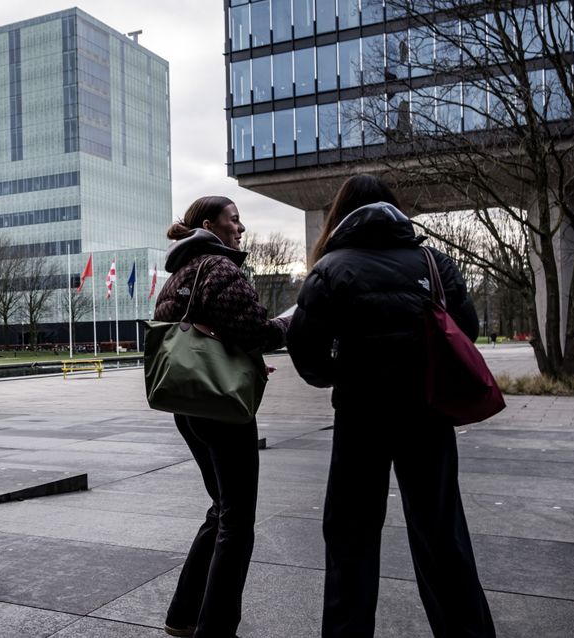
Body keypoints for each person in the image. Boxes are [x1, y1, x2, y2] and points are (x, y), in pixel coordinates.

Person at [287, 175, 495, 637]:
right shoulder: (433, 262)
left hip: (361, 417)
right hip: (428, 412)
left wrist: (338, 374)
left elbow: (307, 353)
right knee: (442, 534)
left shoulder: (330, 268)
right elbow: (468, 330)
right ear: (395, 209)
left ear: (339, 215)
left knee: (351, 539)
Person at [154, 196, 290, 638]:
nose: (242, 228)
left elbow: (194, 340)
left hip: (187, 406)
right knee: (237, 520)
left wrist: (237, 356)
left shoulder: (178, 275)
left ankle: (183, 614)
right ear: (211, 225)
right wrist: (290, 321)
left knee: (221, 509)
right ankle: (215, 629)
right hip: (222, 410)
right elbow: (259, 331)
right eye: (235, 220)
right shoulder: (221, 267)